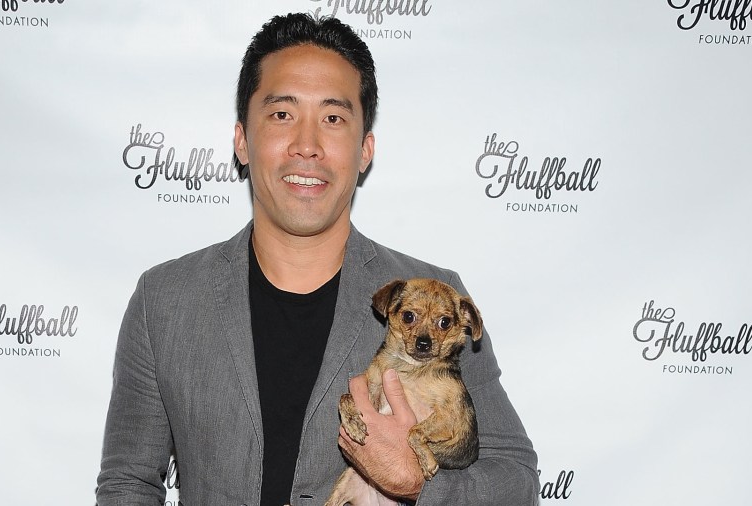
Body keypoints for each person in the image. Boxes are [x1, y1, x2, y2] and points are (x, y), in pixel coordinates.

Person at [96, 12, 538, 506]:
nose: (307, 146)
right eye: (282, 114)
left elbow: (515, 481)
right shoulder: (165, 301)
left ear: (365, 149)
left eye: (333, 118)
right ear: (242, 140)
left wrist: (417, 481)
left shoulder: (437, 297)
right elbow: (127, 484)